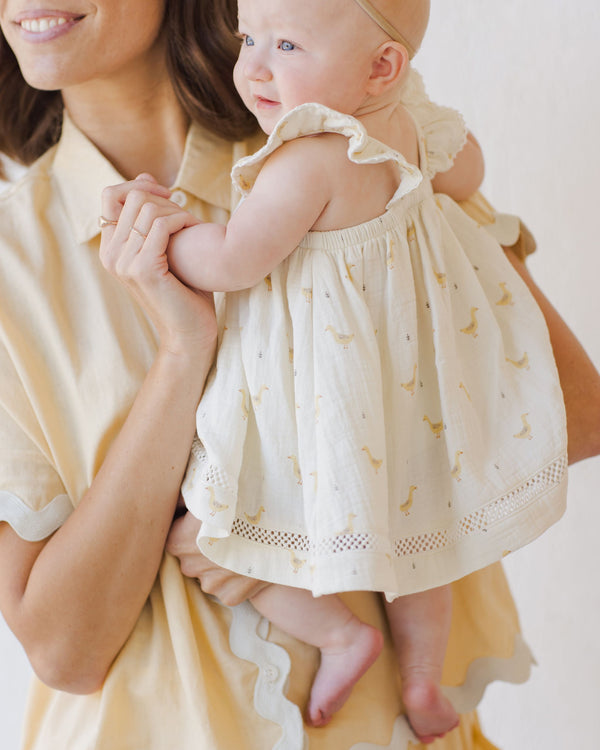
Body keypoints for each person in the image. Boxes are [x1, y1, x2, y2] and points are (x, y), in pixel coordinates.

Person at [0, 1, 596, 749]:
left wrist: (282, 517)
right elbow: (64, 649)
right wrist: (184, 356)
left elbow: (564, 412)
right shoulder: (10, 263)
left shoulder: (350, 121)